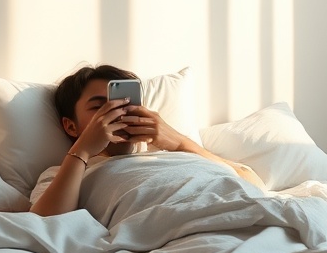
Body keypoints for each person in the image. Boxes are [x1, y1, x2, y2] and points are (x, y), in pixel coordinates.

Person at [29, 64, 264, 216]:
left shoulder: (173, 153)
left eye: (125, 102)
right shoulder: (62, 174)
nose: (117, 112)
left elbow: (253, 183)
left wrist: (178, 142)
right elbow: (46, 221)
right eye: (100, 106)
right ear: (71, 125)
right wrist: (82, 151)